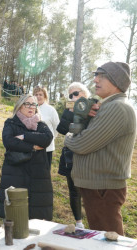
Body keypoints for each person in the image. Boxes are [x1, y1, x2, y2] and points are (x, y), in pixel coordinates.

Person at [65, 62, 136, 235]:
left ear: (116, 81)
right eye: (96, 75)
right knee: (101, 239)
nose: (95, 79)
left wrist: (68, 137)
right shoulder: (107, 106)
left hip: (103, 189)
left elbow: (80, 144)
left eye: (101, 76)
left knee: (108, 241)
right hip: (99, 187)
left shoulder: (117, 108)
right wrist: (83, 117)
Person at [0, 94, 53, 220]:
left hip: (37, 175)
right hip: (15, 172)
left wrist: (24, 137)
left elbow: (46, 139)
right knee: (15, 214)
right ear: (20, 106)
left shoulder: (41, 124)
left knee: (37, 215)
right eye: (27, 104)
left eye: (33, 104)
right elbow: (9, 141)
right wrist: (32, 147)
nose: (31, 107)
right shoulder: (11, 123)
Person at [56, 82, 91, 229]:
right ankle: (79, 222)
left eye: (76, 93)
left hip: (88, 156)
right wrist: (69, 111)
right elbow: (62, 129)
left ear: (84, 94)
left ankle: (94, 220)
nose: (73, 97)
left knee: (90, 191)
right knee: (74, 190)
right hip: (71, 156)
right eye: (71, 95)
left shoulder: (92, 108)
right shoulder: (69, 111)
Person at [33, 86, 59, 168]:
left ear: (45, 96)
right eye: (36, 94)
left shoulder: (51, 110)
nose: (38, 96)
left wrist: (49, 139)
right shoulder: (30, 108)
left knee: (45, 173)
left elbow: (56, 127)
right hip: (33, 147)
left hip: (47, 148)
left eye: (40, 94)